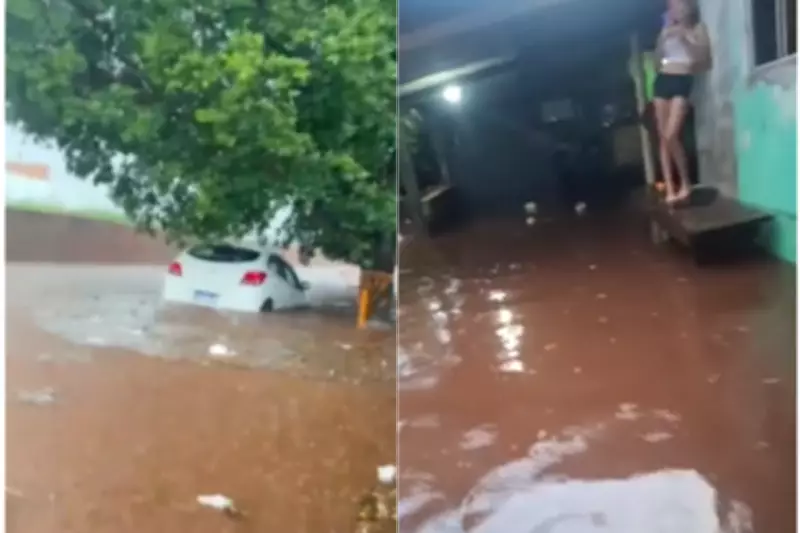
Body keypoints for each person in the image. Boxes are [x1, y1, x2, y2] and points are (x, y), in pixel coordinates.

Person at [653, 0, 711, 204]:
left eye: (679, 5)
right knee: (662, 138)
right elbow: (656, 62)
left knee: (671, 135)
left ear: (689, 7)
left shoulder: (698, 28)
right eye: (672, 7)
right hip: (663, 80)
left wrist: (684, 38)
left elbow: (705, 61)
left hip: (683, 78)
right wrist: (663, 39)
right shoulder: (667, 29)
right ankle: (669, 188)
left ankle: (685, 183)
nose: (676, 10)